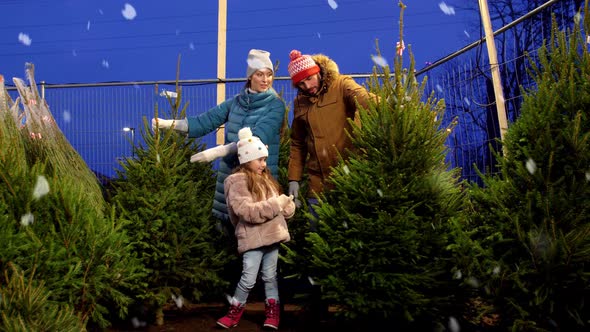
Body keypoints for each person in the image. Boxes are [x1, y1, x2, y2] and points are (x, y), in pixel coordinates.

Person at [152, 49, 286, 230]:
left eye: (269, 75)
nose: (265, 80)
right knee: (229, 229)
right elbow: (204, 122)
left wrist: (216, 152)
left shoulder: (275, 105)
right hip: (232, 175)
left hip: (259, 178)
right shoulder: (235, 102)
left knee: (257, 232)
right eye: (259, 74)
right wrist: (169, 124)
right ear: (249, 77)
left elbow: (255, 141)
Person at [216, 127, 295, 330]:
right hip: (253, 238)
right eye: (259, 159)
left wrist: (287, 206)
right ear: (246, 159)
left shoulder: (267, 180)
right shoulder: (237, 181)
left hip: (273, 236)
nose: (263, 164)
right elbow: (247, 211)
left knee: (270, 277)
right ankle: (234, 312)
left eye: (265, 159)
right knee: (248, 278)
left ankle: (272, 314)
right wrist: (277, 204)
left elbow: (281, 209)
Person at [286, 49, 375, 219]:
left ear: (317, 72)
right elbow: (297, 143)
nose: (307, 87)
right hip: (318, 184)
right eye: (301, 84)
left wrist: (393, 105)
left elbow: (365, 99)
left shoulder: (342, 85)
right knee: (317, 232)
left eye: (309, 79)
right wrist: (293, 179)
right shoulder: (300, 102)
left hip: (348, 178)